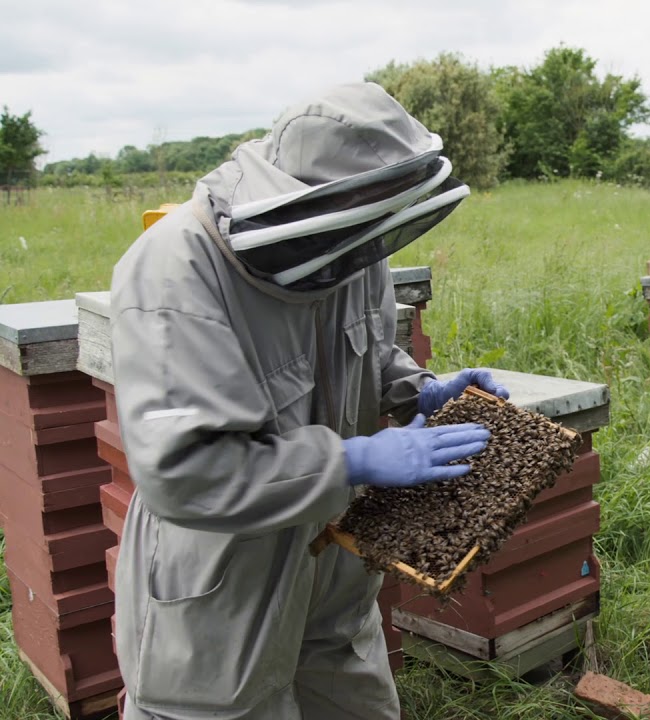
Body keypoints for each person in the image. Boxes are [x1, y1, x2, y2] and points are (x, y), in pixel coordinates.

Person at [108, 82, 510, 719]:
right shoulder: (173, 271)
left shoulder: (353, 243)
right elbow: (185, 473)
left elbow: (368, 356)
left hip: (333, 579)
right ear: (315, 200)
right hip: (223, 588)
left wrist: (416, 389)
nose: (372, 246)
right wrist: (353, 461)